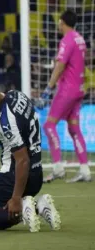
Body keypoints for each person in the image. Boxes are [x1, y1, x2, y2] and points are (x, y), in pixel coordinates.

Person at [0, 78, 61, 233]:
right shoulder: (17, 95)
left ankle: (26, 208)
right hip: (36, 175)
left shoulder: (6, 120)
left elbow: (22, 161)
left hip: (13, 178)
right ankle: (37, 207)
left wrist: (15, 199)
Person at [39, 10, 91, 183]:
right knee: (74, 128)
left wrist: (48, 88)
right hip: (79, 88)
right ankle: (85, 170)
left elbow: (60, 66)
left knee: (49, 125)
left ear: (62, 22)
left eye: (59, 22)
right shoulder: (80, 38)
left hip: (67, 89)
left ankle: (58, 168)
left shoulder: (67, 40)